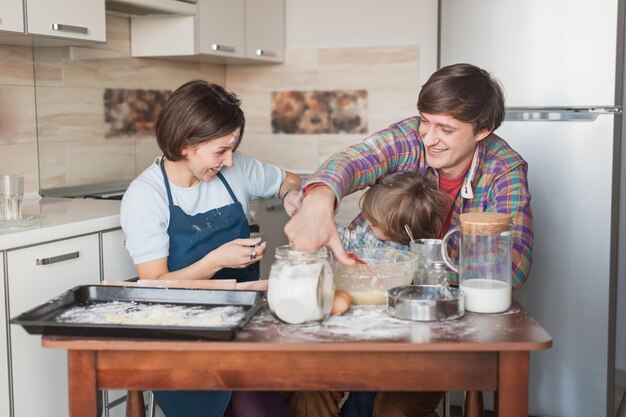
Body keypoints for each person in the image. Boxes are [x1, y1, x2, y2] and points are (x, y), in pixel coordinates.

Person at [284, 63, 533, 417]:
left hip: (435, 328)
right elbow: (354, 161)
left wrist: (414, 267)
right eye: (425, 120)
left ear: (483, 131)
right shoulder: (410, 138)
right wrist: (319, 198)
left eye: (445, 129)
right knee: (308, 392)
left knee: (395, 410)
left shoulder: (504, 171)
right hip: (364, 311)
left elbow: (514, 266)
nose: (428, 138)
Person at [121, 80, 299, 417]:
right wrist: (216, 261)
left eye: (232, 148)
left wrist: (289, 194)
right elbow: (154, 283)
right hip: (180, 335)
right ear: (186, 143)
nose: (230, 161)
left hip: (243, 325)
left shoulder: (236, 168)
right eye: (221, 151)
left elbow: (289, 179)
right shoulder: (146, 196)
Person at [337, 172, 449, 251]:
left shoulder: (403, 255)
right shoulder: (370, 232)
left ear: (399, 232)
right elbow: (350, 240)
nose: (368, 222)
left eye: (375, 222)